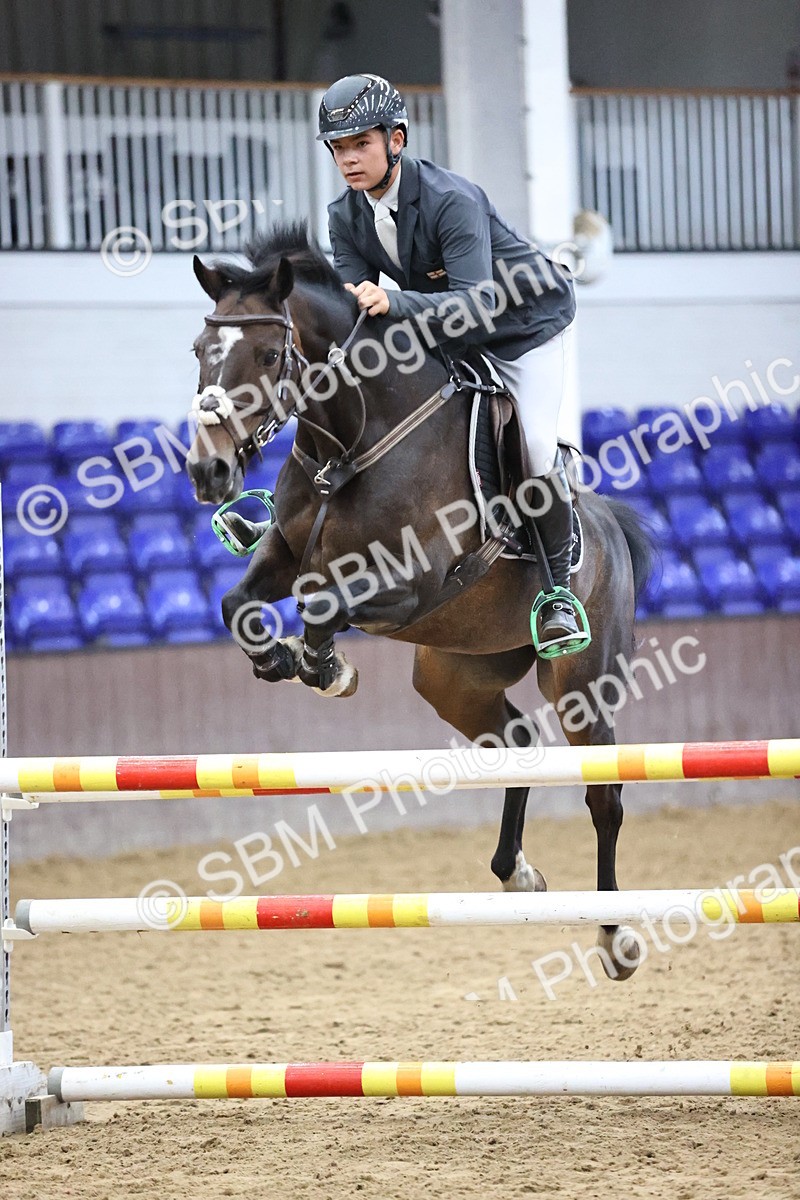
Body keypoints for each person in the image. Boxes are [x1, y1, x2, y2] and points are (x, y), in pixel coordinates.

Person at [317, 72, 588, 657]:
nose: (348, 159)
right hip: (446, 329)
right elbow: (351, 313)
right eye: (338, 148)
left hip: (521, 329)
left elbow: (481, 303)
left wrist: (396, 301)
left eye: (360, 143)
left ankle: (559, 593)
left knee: (537, 448)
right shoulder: (346, 216)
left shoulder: (451, 199)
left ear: (397, 140)